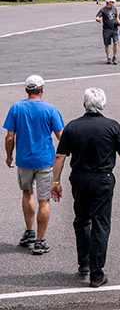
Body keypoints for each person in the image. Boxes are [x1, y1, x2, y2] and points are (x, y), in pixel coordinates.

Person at [50, 88, 120, 288]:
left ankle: (84, 262)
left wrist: (55, 182)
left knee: (81, 220)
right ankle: (96, 273)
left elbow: (60, 156)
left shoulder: (72, 127)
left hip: (79, 177)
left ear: (84, 105)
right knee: (101, 223)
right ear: (103, 104)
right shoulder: (112, 126)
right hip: (102, 178)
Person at [3, 75, 64, 255]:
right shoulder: (50, 109)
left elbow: (9, 137)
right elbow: (62, 136)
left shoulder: (16, 108)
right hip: (45, 160)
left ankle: (29, 231)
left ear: (26, 90)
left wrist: (9, 156)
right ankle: (40, 241)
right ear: (42, 89)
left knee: (27, 193)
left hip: (24, 160)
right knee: (44, 199)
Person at [96, 0, 120, 65]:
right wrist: (98, 19)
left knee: (116, 42)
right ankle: (108, 57)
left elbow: (116, 17)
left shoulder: (114, 9)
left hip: (114, 28)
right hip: (106, 29)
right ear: (109, 2)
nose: (113, 3)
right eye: (112, 2)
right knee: (107, 44)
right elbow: (98, 17)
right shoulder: (103, 10)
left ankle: (114, 57)